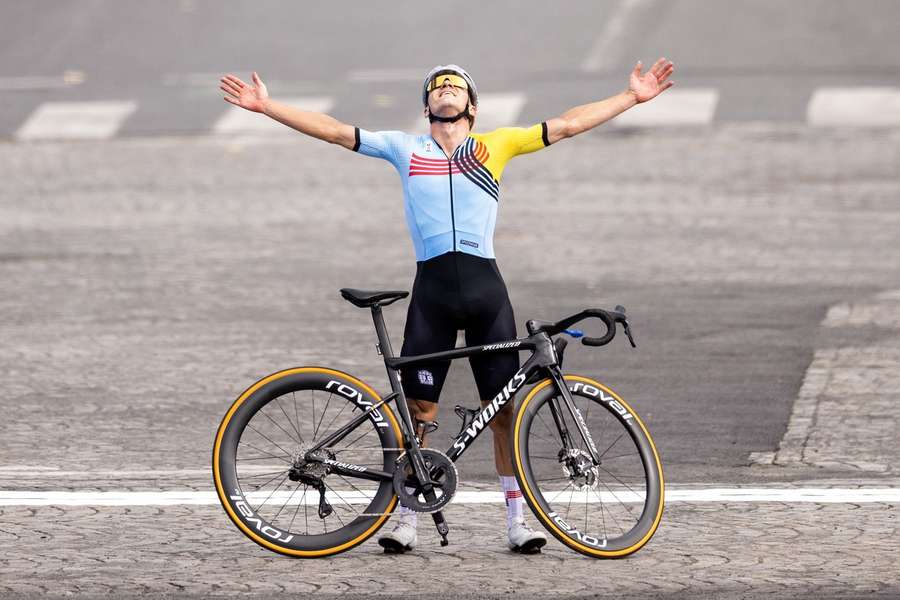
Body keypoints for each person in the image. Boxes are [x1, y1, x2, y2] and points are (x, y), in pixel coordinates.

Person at [219, 58, 675, 554]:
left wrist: (630, 98)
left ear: (472, 107)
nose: (446, 89)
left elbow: (566, 125)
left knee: (503, 413)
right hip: (432, 292)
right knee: (418, 412)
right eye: (438, 86)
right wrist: (266, 107)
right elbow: (332, 131)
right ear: (427, 106)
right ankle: (407, 518)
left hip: (486, 292)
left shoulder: (495, 145)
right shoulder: (404, 148)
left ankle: (517, 523)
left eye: (456, 86)